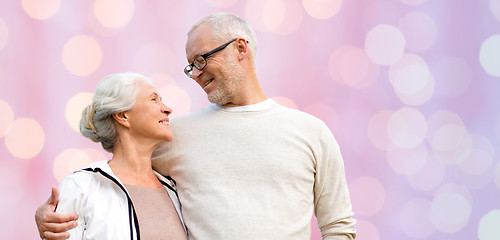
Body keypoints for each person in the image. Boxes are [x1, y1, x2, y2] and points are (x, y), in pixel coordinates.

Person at [36, 13, 356, 240]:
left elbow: (339, 227)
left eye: (202, 60)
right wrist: (50, 216)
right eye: (191, 67)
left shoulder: (312, 132)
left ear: (240, 48)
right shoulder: (175, 135)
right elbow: (120, 172)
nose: (197, 74)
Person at [35, 72, 188, 240]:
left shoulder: (175, 190)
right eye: (153, 99)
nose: (167, 108)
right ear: (123, 116)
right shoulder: (82, 187)